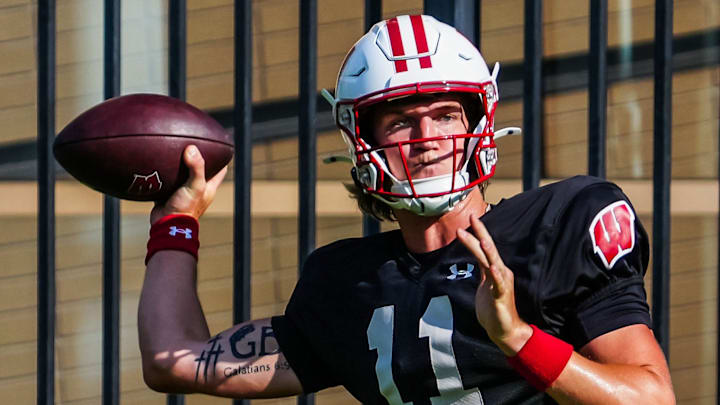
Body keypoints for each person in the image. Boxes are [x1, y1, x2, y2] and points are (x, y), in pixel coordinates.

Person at [138, 15, 675, 404]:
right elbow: (174, 361)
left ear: (478, 124)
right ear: (360, 140)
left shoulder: (559, 226)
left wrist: (519, 339)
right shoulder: (347, 283)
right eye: (401, 121)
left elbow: (650, 398)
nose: (427, 139)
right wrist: (176, 221)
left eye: (444, 115)